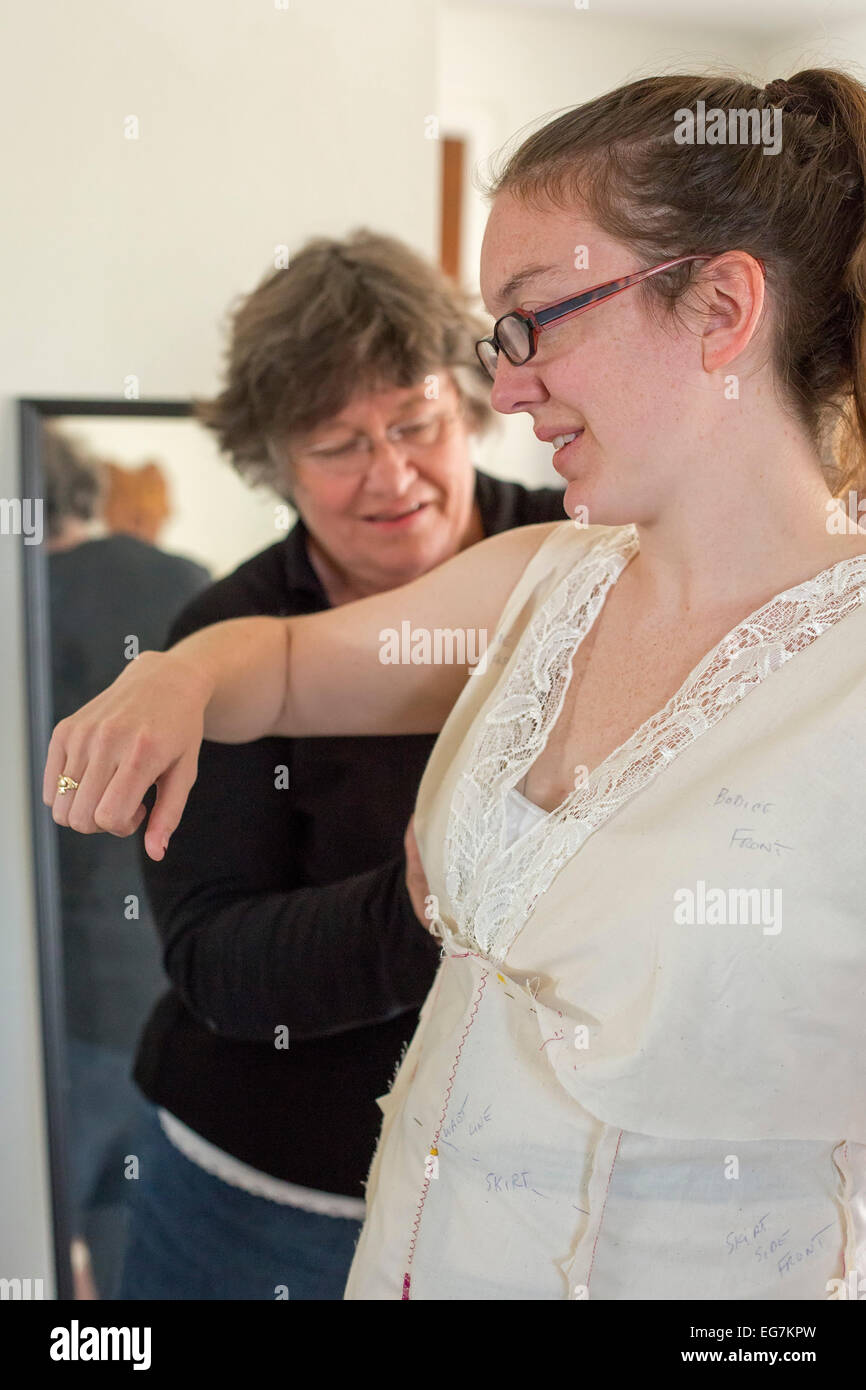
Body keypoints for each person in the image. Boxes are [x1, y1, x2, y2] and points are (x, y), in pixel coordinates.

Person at [45, 69, 866, 1300]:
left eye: (534, 320)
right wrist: (177, 672)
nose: (509, 384)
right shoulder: (548, 575)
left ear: (718, 307)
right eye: (498, 338)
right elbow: (280, 664)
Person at [95, 230, 564, 1301]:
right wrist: (426, 903)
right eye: (337, 445)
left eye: (415, 423)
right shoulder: (224, 637)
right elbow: (215, 959)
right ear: (274, 462)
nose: (389, 476)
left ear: (469, 404)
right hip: (267, 1194)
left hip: (510, 1193)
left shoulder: (577, 557)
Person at [44, 427, 211, 1297]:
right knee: (133, 1260)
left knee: (35, 1238)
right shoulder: (186, 581)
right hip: (175, 986)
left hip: (59, 999)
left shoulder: (27, 603)